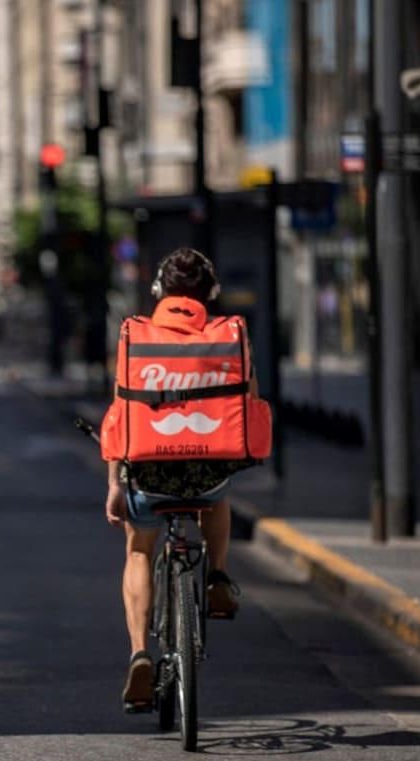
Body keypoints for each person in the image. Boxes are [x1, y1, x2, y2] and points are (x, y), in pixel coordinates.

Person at [103, 247, 256, 712]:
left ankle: (139, 652)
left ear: (158, 291)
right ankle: (219, 576)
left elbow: (120, 417)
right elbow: (249, 401)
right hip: (206, 476)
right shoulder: (230, 334)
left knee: (137, 551)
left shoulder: (135, 334)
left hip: (148, 474)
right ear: (209, 294)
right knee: (217, 495)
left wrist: (114, 484)